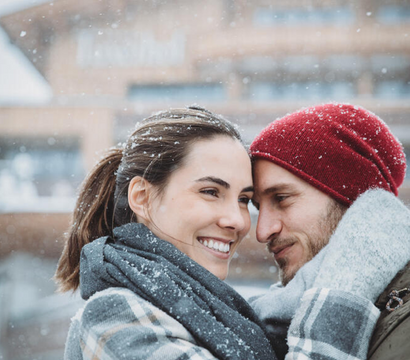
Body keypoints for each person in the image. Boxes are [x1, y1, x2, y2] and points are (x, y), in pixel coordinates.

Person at [55, 105, 403, 360]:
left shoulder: (224, 319)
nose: (242, 223)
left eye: (243, 200)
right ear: (142, 198)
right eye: (210, 191)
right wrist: (346, 287)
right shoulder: (117, 317)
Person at [249, 102, 410, 359]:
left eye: (281, 198)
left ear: (350, 197)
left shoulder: (403, 324)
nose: (263, 231)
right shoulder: (273, 322)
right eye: (258, 207)